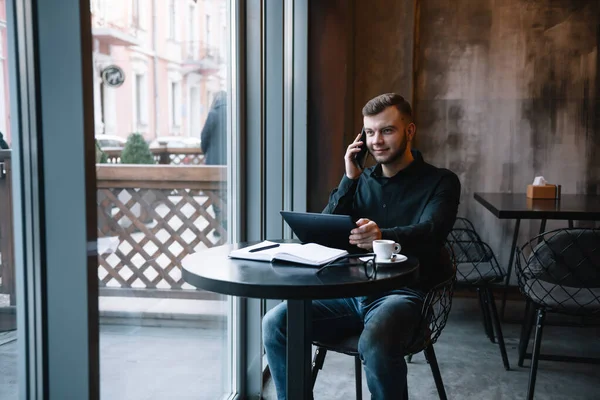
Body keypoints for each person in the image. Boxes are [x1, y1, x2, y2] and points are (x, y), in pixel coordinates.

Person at [262, 93, 461, 399]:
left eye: (386, 130)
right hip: (348, 294)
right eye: (369, 132)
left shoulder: (440, 181)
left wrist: (383, 234)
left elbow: (432, 231)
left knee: (376, 340)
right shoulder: (360, 180)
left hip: (404, 295)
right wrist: (349, 177)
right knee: (276, 322)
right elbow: (323, 234)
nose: (376, 141)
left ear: (409, 131)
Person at [200, 91, 227, 236]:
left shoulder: (213, 114)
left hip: (214, 164)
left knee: (216, 193)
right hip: (233, 164)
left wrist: (206, 152)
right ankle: (229, 223)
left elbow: (204, 137)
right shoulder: (236, 113)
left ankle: (220, 224)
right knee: (230, 194)